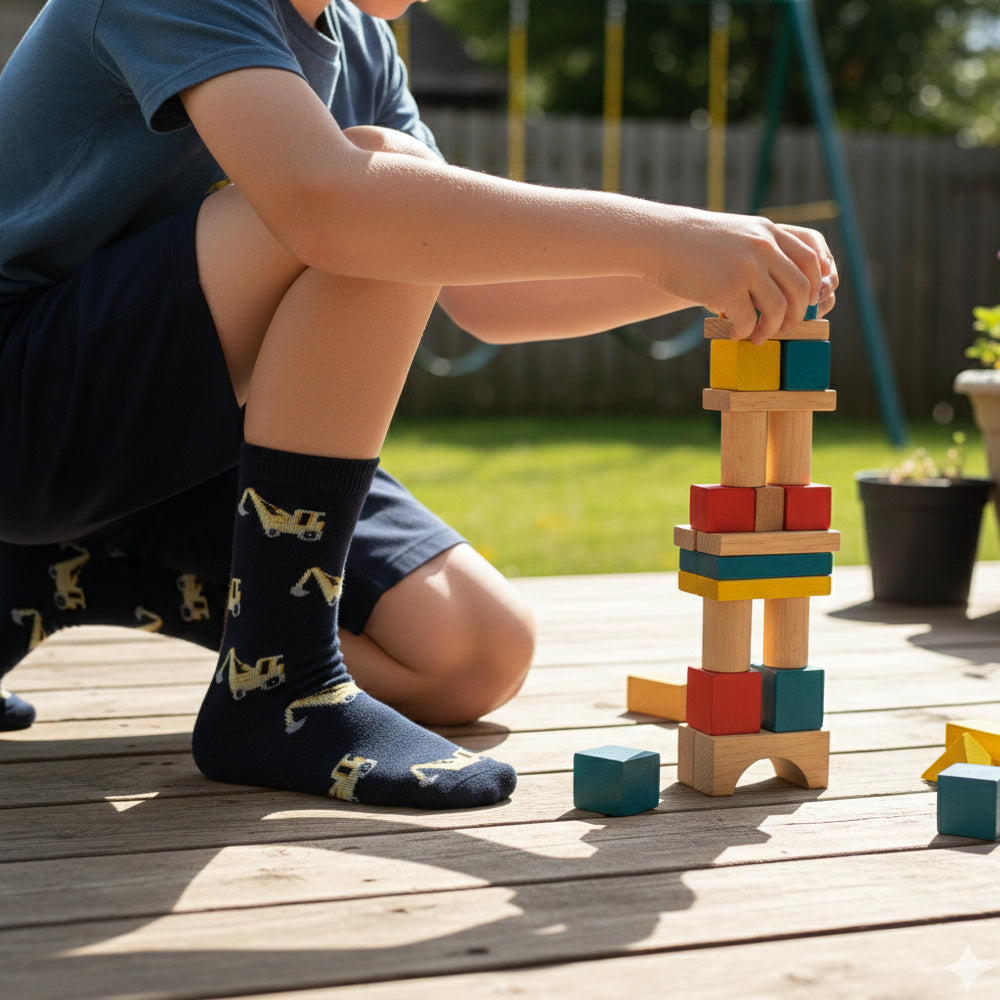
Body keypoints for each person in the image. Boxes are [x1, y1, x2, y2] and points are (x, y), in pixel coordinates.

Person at [0, 0, 837, 809]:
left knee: (473, 653)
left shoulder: (360, 45)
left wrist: (712, 265)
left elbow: (482, 298)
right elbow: (330, 207)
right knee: (376, 179)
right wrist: (664, 238)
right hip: (23, 421)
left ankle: (67, 576)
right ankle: (280, 683)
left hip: (177, 443)